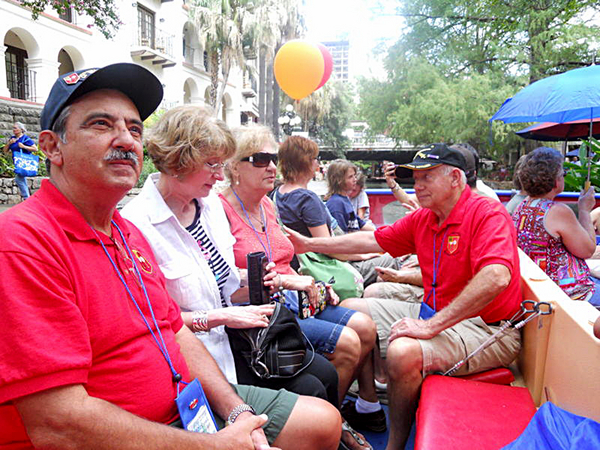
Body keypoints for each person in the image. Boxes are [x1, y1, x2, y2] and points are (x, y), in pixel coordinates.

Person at [0, 63, 341, 450]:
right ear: (51, 146)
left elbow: (173, 330)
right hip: (127, 430)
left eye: (134, 128)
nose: (126, 140)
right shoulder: (23, 242)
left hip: (187, 402)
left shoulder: (125, 233)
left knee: (323, 422)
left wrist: (236, 413)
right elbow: (59, 424)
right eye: (100, 124)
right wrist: (218, 445)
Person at [286, 143, 523, 450]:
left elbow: (496, 276)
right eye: (415, 177)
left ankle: (394, 444)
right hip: (439, 313)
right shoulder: (426, 217)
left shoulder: (486, 213)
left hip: (489, 329)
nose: (417, 184)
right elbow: (374, 240)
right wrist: (310, 244)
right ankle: (370, 405)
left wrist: (429, 326)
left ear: (455, 178)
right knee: (353, 312)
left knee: (403, 352)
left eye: (426, 177)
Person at [121, 105, 339, 405]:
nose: (220, 174)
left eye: (222, 163)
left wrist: (257, 281)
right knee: (311, 389)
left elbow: (220, 279)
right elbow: (151, 320)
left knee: (325, 374)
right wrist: (220, 316)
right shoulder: (137, 224)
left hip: (237, 339)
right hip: (195, 355)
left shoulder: (208, 206)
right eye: (212, 163)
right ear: (177, 161)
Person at [219, 125, 377, 450]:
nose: (272, 167)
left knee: (364, 327)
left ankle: (344, 417)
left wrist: (314, 283)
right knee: (346, 345)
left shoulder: (268, 205)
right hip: (262, 317)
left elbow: (288, 256)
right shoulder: (218, 211)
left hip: (291, 303)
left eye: (274, 159)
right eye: (261, 159)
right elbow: (227, 280)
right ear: (235, 166)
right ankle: (334, 423)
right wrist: (294, 281)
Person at [513, 147, 599, 308]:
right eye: (562, 174)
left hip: (538, 288)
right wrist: (584, 210)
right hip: (569, 293)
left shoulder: (523, 206)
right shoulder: (557, 211)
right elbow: (587, 250)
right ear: (555, 181)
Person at [2, 121, 37, 200]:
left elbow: (35, 148)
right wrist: (9, 143)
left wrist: (23, 146)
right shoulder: (12, 138)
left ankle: (27, 199)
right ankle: (28, 199)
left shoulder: (25, 138)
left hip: (24, 162)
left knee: (19, 179)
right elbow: (5, 151)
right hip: (17, 163)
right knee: (22, 179)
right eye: (13, 128)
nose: (13, 130)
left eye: (15, 128)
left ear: (21, 129)